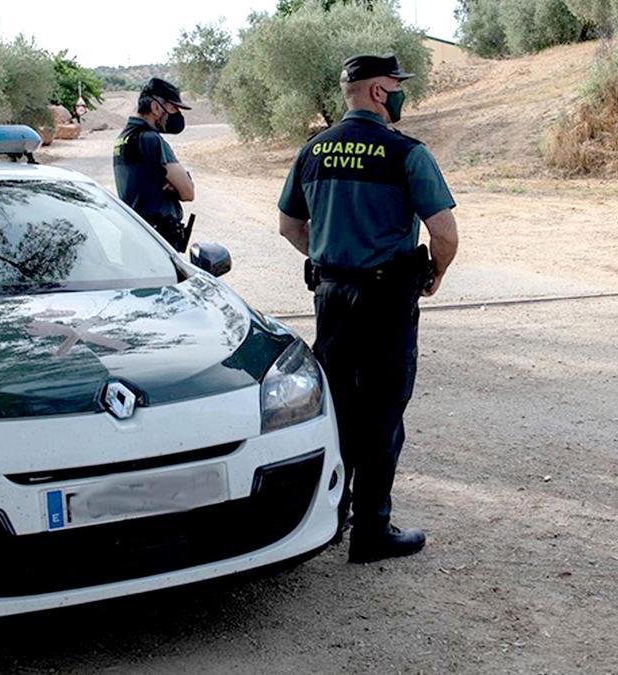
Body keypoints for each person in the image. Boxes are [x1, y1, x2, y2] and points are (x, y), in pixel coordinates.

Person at [277, 54, 460, 564]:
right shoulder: (405, 152)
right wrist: (436, 273)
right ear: (379, 92)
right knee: (381, 414)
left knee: (336, 408)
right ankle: (371, 532)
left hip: (331, 298)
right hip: (385, 302)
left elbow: (289, 227)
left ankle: (329, 521)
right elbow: (443, 233)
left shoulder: (312, 152)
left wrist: (333, 255)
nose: (401, 94)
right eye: (397, 86)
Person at [113, 78, 196, 252]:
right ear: (156, 107)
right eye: (174, 108)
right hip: (157, 243)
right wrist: (180, 182)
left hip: (133, 237)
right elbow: (188, 192)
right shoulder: (151, 140)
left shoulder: (123, 138)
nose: (177, 114)